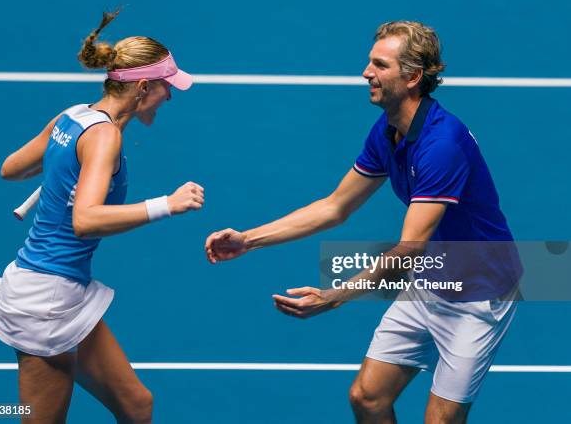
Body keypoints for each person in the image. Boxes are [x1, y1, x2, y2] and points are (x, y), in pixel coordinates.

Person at [205, 21, 520, 424]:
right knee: (367, 398)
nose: (366, 72)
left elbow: (409, 249)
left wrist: (335, 296)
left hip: (478, 293)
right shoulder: (389, 130)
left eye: (379, 65)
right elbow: (336, 206)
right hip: (433, 278)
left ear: (413, 77)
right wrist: (249, 239)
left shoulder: (441, 146)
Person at [0, 11, 204, 424]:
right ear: (142, 87)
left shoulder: (73, 117)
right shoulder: (103, 136)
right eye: (166, 88)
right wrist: (167, 205)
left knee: (137, 406)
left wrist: (63, 165)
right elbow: (84, 220)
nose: (170, 96)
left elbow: (11, 168)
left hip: (59, 292)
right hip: (44, 302)